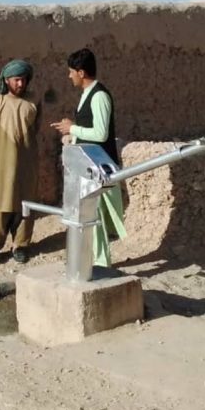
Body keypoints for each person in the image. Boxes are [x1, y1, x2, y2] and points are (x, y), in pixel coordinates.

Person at [50, 48, 127, 267]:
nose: (69, 76)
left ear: (81, 72)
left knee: (98, 215)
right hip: (87, 165)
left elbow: (101, 133)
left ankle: (102, 264)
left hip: (99, 165)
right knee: (91, 215)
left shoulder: (99, 96)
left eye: (71, 72)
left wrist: (73, 128)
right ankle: (96, 261)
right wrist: (71, 130)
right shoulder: (86, 94)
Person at [0, 59, 40, 264]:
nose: (21, 84)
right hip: (0, 161)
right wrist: (1, 149)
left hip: (26, 160)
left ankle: (21, 245)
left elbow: (35, 128)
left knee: (24, 202)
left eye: (24, 80)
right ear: (6, 80)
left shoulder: (33, 101)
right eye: (17, 80)